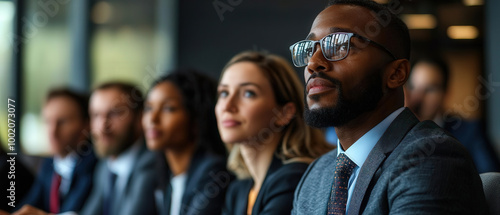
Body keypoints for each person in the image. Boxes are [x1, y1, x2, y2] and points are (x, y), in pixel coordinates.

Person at [290, 0, 487, 214]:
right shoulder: (316, 174)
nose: (313, 63)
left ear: (396, 74)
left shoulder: (430, 156)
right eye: (309, 49)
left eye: (338, 45)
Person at [216, 51, 333, 215]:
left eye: (248, 93)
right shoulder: (239, 189)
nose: (227, 106)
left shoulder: (292, 178)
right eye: (224, 93)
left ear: (284, 113)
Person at [142, 69, 231, 215]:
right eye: (148, 108)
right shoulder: (166, 176)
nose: (152, 119)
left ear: (196, 117)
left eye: (168, 109)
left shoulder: (214, 172)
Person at [406, 57, 500, 173]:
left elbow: (492, 177)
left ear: (446, 93)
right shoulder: (400, 133)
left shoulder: (470, 132)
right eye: (413, 87)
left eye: (430, 89)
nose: (418, 97)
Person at [13, 89, 97, 215]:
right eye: (47, 121)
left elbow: (74, 210)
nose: (52, 132)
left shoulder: (95, 165)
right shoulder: (49, 164)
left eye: (62, 122)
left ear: (86, 125)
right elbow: (28, 205)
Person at [80, 82, 157, 215]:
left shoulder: (151, 163)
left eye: (115, 113)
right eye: (96, 115)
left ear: (140, 118)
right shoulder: (104, 166)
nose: (103, 126)